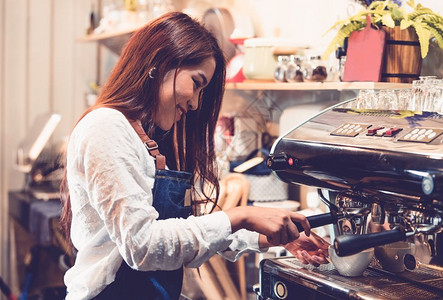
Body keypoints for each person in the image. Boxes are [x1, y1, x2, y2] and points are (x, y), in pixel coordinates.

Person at [60, 12, 329, 300]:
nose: (196, 102)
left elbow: (182, 229)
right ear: (159, 64)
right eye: (197, 82)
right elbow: (143, 247)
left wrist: (268, 236)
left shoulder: (146, 137)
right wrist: (241, 215)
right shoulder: (106, 126)